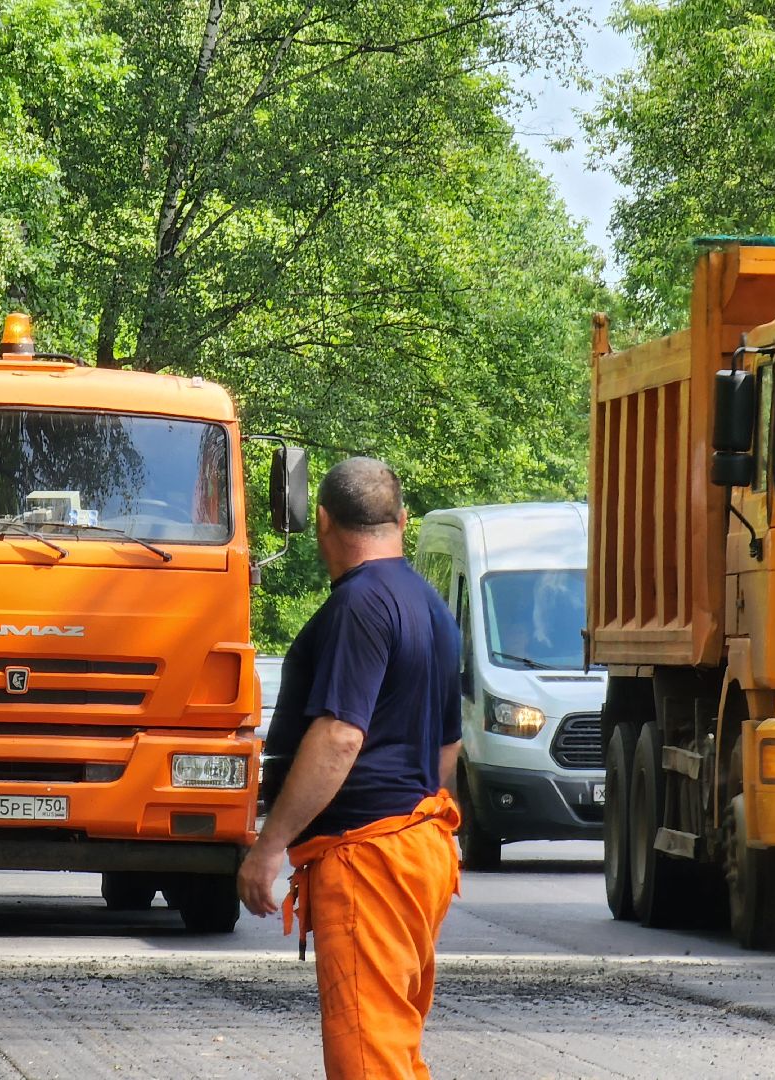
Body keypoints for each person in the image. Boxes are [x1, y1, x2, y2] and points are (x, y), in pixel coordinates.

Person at [238, 456, 463, 1080]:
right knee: (394, 1043)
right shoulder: (432, 609)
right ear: (402, 520)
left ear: (323, 523)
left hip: (370, 858)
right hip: (422, 845)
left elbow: (339, 736)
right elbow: (448, 747)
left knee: (368, 1055)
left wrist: (269, 846)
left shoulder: (359, 608)